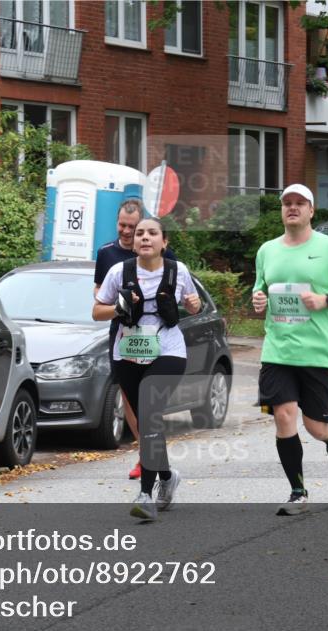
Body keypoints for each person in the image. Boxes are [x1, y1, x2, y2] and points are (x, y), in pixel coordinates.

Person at [252, 184, 328, 516]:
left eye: (300, 203)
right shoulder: (267, 251)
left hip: (318, 350)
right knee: (284, 416)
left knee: (315, 426)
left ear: (311, 210)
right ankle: (298, 492)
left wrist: (325, 299)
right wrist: (258, 299)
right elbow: (261, 290)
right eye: (287, 203)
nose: (292, 207)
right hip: (278, 349)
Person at [94, 217, 200, 520]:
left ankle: (145, 495)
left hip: (168, 350)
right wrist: (119, 307)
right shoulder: (119, 272)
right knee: (146, 423)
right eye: (140, 233)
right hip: (127, 352)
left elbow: (194, 306)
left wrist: (193, 304)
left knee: (150, 413)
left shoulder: (178, 271)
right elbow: (97, 311)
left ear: (164, 242)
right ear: (134, 243)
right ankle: (166, 476)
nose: (144, 237)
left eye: (152, 233)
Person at [94, 198, 177, 480]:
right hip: (124, 332)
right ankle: (145, 454)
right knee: (130, 398)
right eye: (123, 226)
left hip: (157, 334)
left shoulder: (162, 252)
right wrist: (121, 302)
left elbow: (175, 289)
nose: (127, 232)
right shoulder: (106, 253)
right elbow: (98, 294)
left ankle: (151, 453)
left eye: (133, 227)